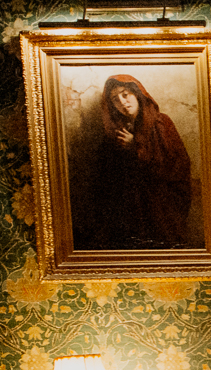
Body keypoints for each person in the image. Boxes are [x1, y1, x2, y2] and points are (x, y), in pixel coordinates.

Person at [77, 73, 194, 249]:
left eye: (125, 94)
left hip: (159, 206)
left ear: (137, 94)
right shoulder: (113, 134)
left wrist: (136, 148)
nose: (122, 102)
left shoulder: (162, 123)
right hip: (128, 211)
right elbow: (104, 180)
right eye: (115, 99)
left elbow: (178, 166)